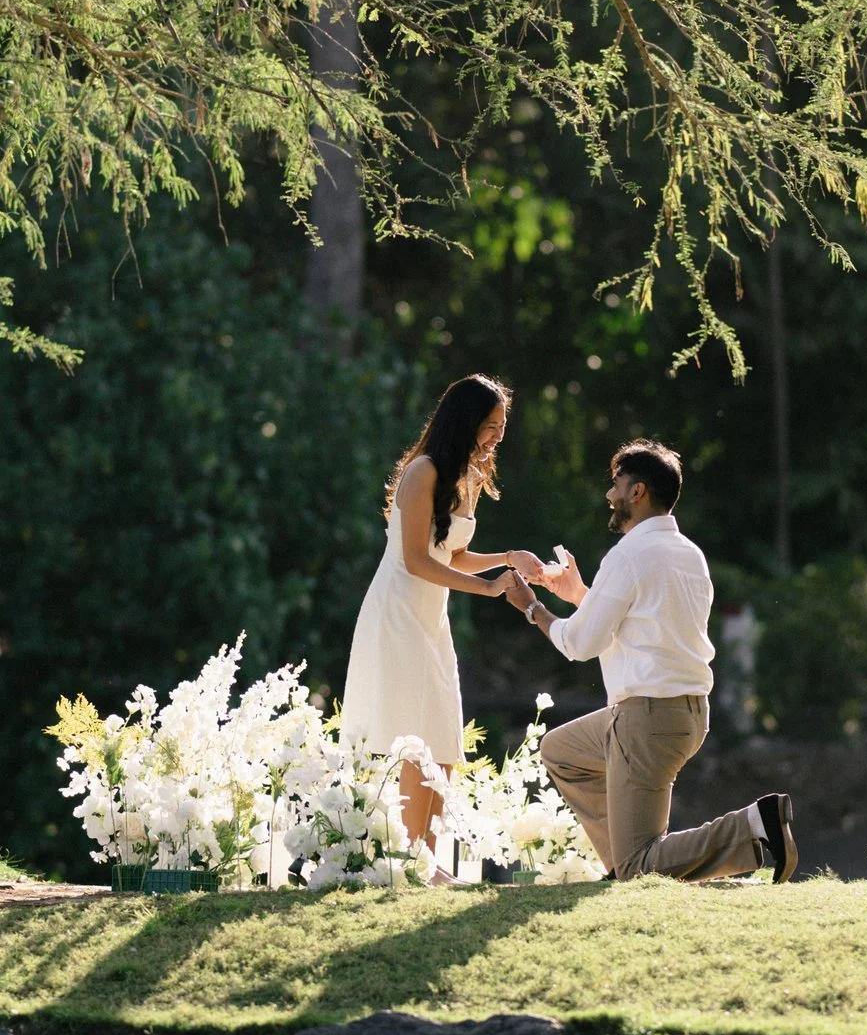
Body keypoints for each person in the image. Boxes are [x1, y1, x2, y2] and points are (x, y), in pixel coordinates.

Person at [499, 441, 797, 882]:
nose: (609, 495)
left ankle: (754, 825)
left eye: (616, 485)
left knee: (642, 865)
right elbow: (641, 627)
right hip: (684, 713)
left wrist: (531, 608)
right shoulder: (688, 553)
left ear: (637, 492)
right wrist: (579, 595)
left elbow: (579, 644)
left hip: (648, 718)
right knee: (560, 752)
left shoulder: (628, 555)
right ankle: (623, 864)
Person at [342, 374, 555, 862]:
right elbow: (418, 560)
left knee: (443, 734)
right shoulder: (423, 472)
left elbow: (452, 554)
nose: (499, 434)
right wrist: (489, 588)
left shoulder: (470, 477)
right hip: (398, 611)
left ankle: (432, 860)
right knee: (417, 736)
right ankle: (412, 859)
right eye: (491, 424)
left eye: (502, 424)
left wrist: (507, 558)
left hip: (431, 615)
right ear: (466, 421)